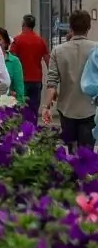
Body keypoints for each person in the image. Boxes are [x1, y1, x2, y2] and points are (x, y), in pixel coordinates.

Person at [48, 10, 98, 147]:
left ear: (70, 27)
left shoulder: (58, 50)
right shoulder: (96, 48)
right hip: (91, 107)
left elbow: (52, 82)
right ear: (88, 27)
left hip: (67, 107)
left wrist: (46, 106)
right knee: (87, 151)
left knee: (71, 152)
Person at [13, 15, 50, 119]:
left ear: (23, 24)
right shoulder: (40, 40)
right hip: (36, 80)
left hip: (21, 80)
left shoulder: (17, 40)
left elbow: (12, 60)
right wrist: (52, 81)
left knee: (20, 110)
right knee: (33, 110)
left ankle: (21, 133)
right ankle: (32, 131)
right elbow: (48, 61)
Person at [0, 28, 27, 103]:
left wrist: (20, 106)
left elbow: (19, 88)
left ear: (6, 43)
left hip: (7, 105)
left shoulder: (14, 61)